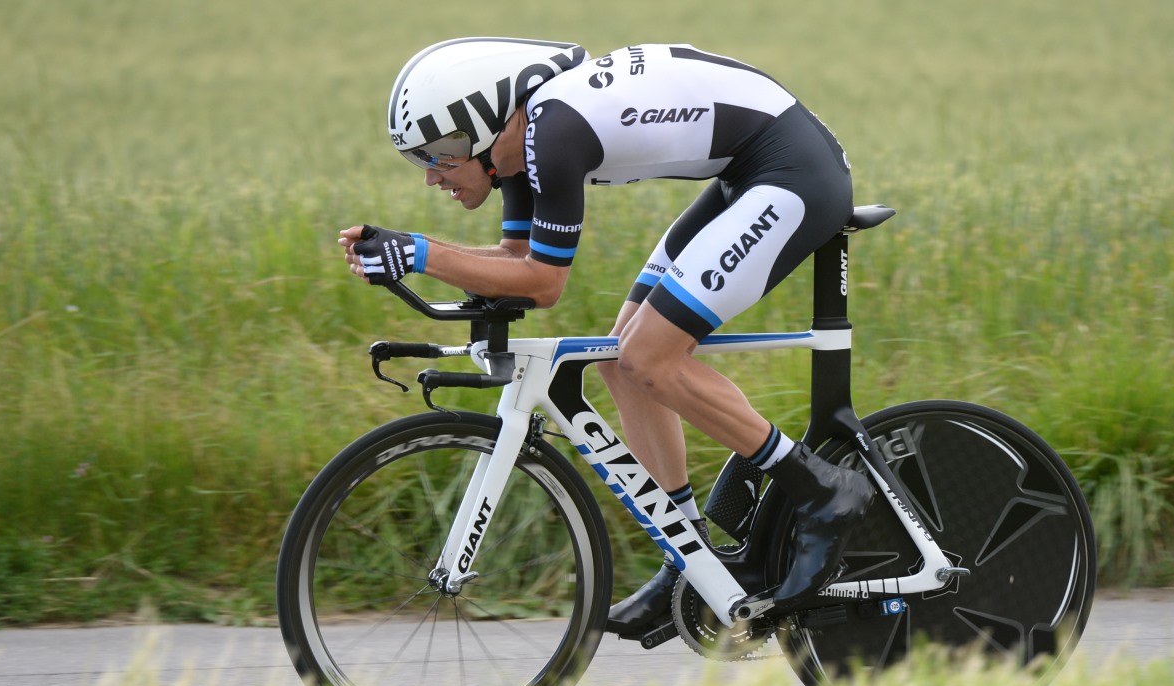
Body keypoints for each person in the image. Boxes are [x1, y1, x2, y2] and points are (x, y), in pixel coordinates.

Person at [340, 37, 875, 638]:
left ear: (484, 128)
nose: (432, 178)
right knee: (623, 363)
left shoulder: (553, 131)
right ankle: (691, 562)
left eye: (439, 155)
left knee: (650, 357)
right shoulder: (516, 150)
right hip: (748, 173)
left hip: (793, 175)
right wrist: (414, 254)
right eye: (420, 161)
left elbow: (542, 285)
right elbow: (513, 261)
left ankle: (823, 489)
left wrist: (421, 253)